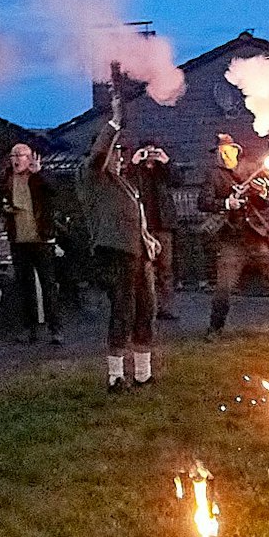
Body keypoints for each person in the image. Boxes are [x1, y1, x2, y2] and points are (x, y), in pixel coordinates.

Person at [84, 86, 159, 391]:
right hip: (114, 254)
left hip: (138, 253)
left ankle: (142, 373)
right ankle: (116, 377)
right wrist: (115, 120)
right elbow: (99, 153)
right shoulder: (91, 176)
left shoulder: (125, 183)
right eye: (116, 153)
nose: (119, 157)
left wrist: (147, 236)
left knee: (146, 309)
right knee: (122, 311)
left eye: (121, 153)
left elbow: (136, 216)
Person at [200, 134, 269, 341]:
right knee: (224, 289)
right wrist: (228, 203)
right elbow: (203, 202)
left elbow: (266, 204)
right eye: (221, 151)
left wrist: (262, 193)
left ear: (237, 151)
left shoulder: (252, 170)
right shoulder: (213, 176)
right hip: (232, 240)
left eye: (230, 150)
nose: (226, 154)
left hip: (258, 237)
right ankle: (215, 329)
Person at [0, 142, 63, 345]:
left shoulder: (39, 178)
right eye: (13, 155)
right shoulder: (6, 178)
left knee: (48, 285)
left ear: (30, 157)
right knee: (24, 287)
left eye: (21, 155)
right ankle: (30, 328)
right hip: (19, 239)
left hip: (41, 239)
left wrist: (40, 174)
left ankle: (55, 329)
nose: (16, 159)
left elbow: (55, 192)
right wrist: (4, 207)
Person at [128, 143, 180, 320]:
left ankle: (166, 307)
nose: (150, 155)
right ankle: (148, 307)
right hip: (143, 226)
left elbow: (178, 181)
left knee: (166, 268)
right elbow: (127, 185)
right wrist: (134, 163)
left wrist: (166, 161)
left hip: (163, 225)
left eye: (153, 152)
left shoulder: (162, 172)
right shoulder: (137, 172)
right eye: (147, 152)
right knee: (145, 268)